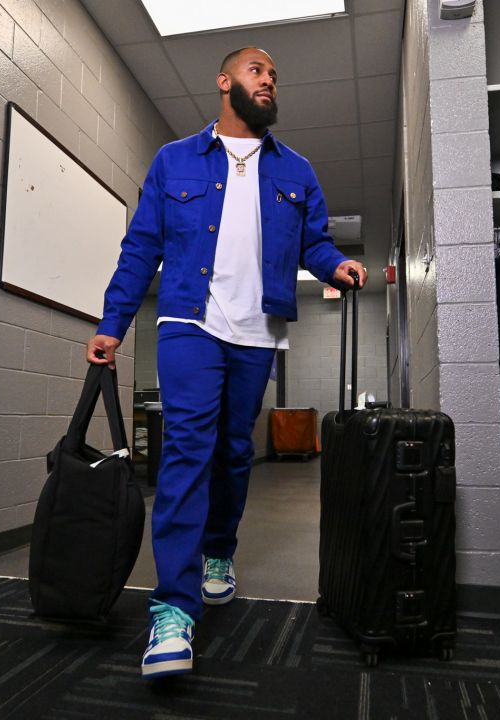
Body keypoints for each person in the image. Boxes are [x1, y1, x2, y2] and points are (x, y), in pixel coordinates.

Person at [86, 47, 366, 679]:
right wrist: (112, 324)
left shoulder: (296, 169)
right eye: (256, 71)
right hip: (190, 321)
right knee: (187, 449)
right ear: (224, 82)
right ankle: (174, 611)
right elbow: (141, 248)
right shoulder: (175, 160)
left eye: (274, 74)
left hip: (258, 329)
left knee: (234, 451)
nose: (268, 79)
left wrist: (334, 264)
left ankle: (219, 550)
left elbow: (315, 242)